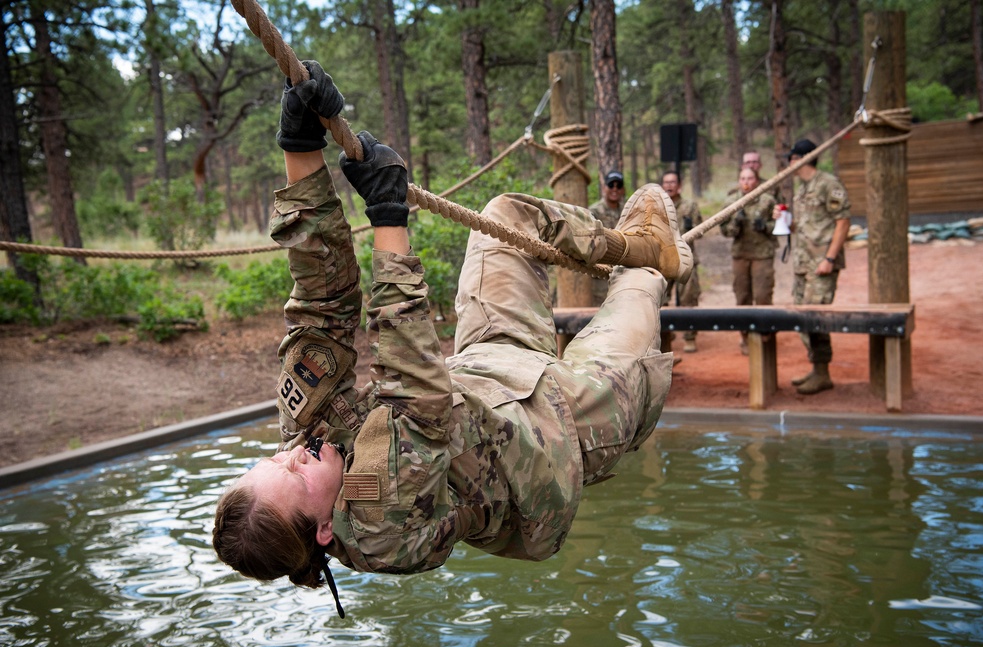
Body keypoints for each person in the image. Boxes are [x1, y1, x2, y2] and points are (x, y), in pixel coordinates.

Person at [212, 61, 694, 612]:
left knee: (505, 218)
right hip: (570, 429)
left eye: (273, 462)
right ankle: (648, 267)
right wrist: (389, 218)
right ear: (324, 529)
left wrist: (299, 148)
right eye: (294, 478)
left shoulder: (303, 442)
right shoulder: (379, 526)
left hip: (491, 373)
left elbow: (321, 307)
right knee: (640, 287)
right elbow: (415, 391)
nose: (292, 455)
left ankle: (641, 243)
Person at [774, 138, 851, 395]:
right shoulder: (802, 189)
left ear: (804, 158)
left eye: (792, 158)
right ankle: (816, 368)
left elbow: (843, 222)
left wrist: (829, 259)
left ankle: (823, 373)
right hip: (803, 263)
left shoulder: (828, 184)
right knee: (802, 318)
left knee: (815, 316)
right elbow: (805, 227)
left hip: (821, 264)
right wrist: (785, 220)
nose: (789, 163)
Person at [720, 168, 778, 355]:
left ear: (757, 180)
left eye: (750, 178)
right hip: (741, 255)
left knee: (762, 295)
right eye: (743, 178)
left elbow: (779, 226)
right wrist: (736, 224)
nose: (746, 182)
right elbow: (725, 231)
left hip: (762, 254)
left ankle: (765, 335)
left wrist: (766, 226)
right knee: (742, 296)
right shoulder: (731, 202)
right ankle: (745, 337)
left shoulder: (768, 200)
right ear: (739, 181)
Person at [660, 170, 702, 353]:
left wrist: (691, 225)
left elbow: (700, 229)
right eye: (666, 182)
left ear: (679, 185)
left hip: (686, 259)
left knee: (688, 298)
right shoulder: (657, 207)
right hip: (662, 260)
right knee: (661, 299)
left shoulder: (689, 206)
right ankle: (665, 335)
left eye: (673, 182)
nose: (669, 185)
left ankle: (690, 337)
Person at [588, 170, 626, 304]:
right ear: (604, 188)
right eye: (611, 185)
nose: (614, 189)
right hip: (602, 271)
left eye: (618, 186)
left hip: (624, 270)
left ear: (623, 189)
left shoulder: (627, 211)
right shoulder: (594, 211)